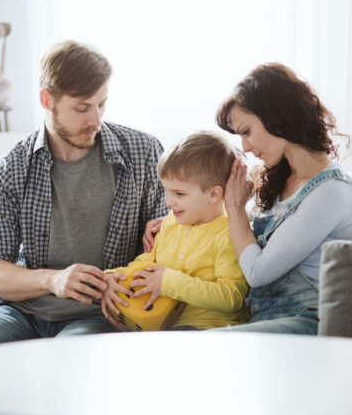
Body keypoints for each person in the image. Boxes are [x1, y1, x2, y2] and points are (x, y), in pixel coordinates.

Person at [0, 40, 167, 362]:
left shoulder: (143, 153)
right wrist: (54, 279)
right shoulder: (11, 169)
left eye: (101, 105)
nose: (95, 120)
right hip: (19, 314)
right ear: (47, 100)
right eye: (82, 108)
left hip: (94, 316)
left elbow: (170, 251)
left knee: (63, 363)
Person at [215, 63, 352, 334]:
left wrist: (234, 207)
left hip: (306, 322)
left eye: (246, 131)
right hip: (267, 319)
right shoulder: (281, 181)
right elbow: (236, 238)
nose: (245, 147)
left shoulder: (332, 192)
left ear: (276, 115)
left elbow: (257, 271)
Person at [101, 131, 250, 330]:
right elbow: (147, 263)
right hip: (166, 326)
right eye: (166, 191)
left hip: (209, 328)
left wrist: (169, 282)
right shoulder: (170, 222)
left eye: (179, 193)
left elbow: (232, 298)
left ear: (214, 194)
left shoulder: (229, 235)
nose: (168, 202)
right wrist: (113, 277)